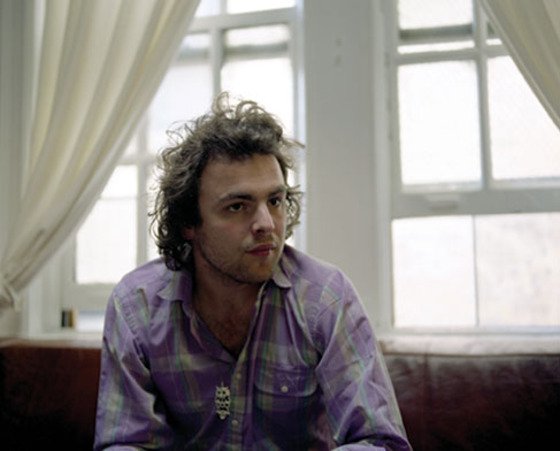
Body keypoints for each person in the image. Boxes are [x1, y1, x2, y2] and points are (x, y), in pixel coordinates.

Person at [94, 93, 411, 450]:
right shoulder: (136, 308)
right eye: (237, 206)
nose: (266, 224)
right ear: (188, 223)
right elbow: (124, 443)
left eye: (274, 201)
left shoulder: (325, 300)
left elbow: (380, 441)